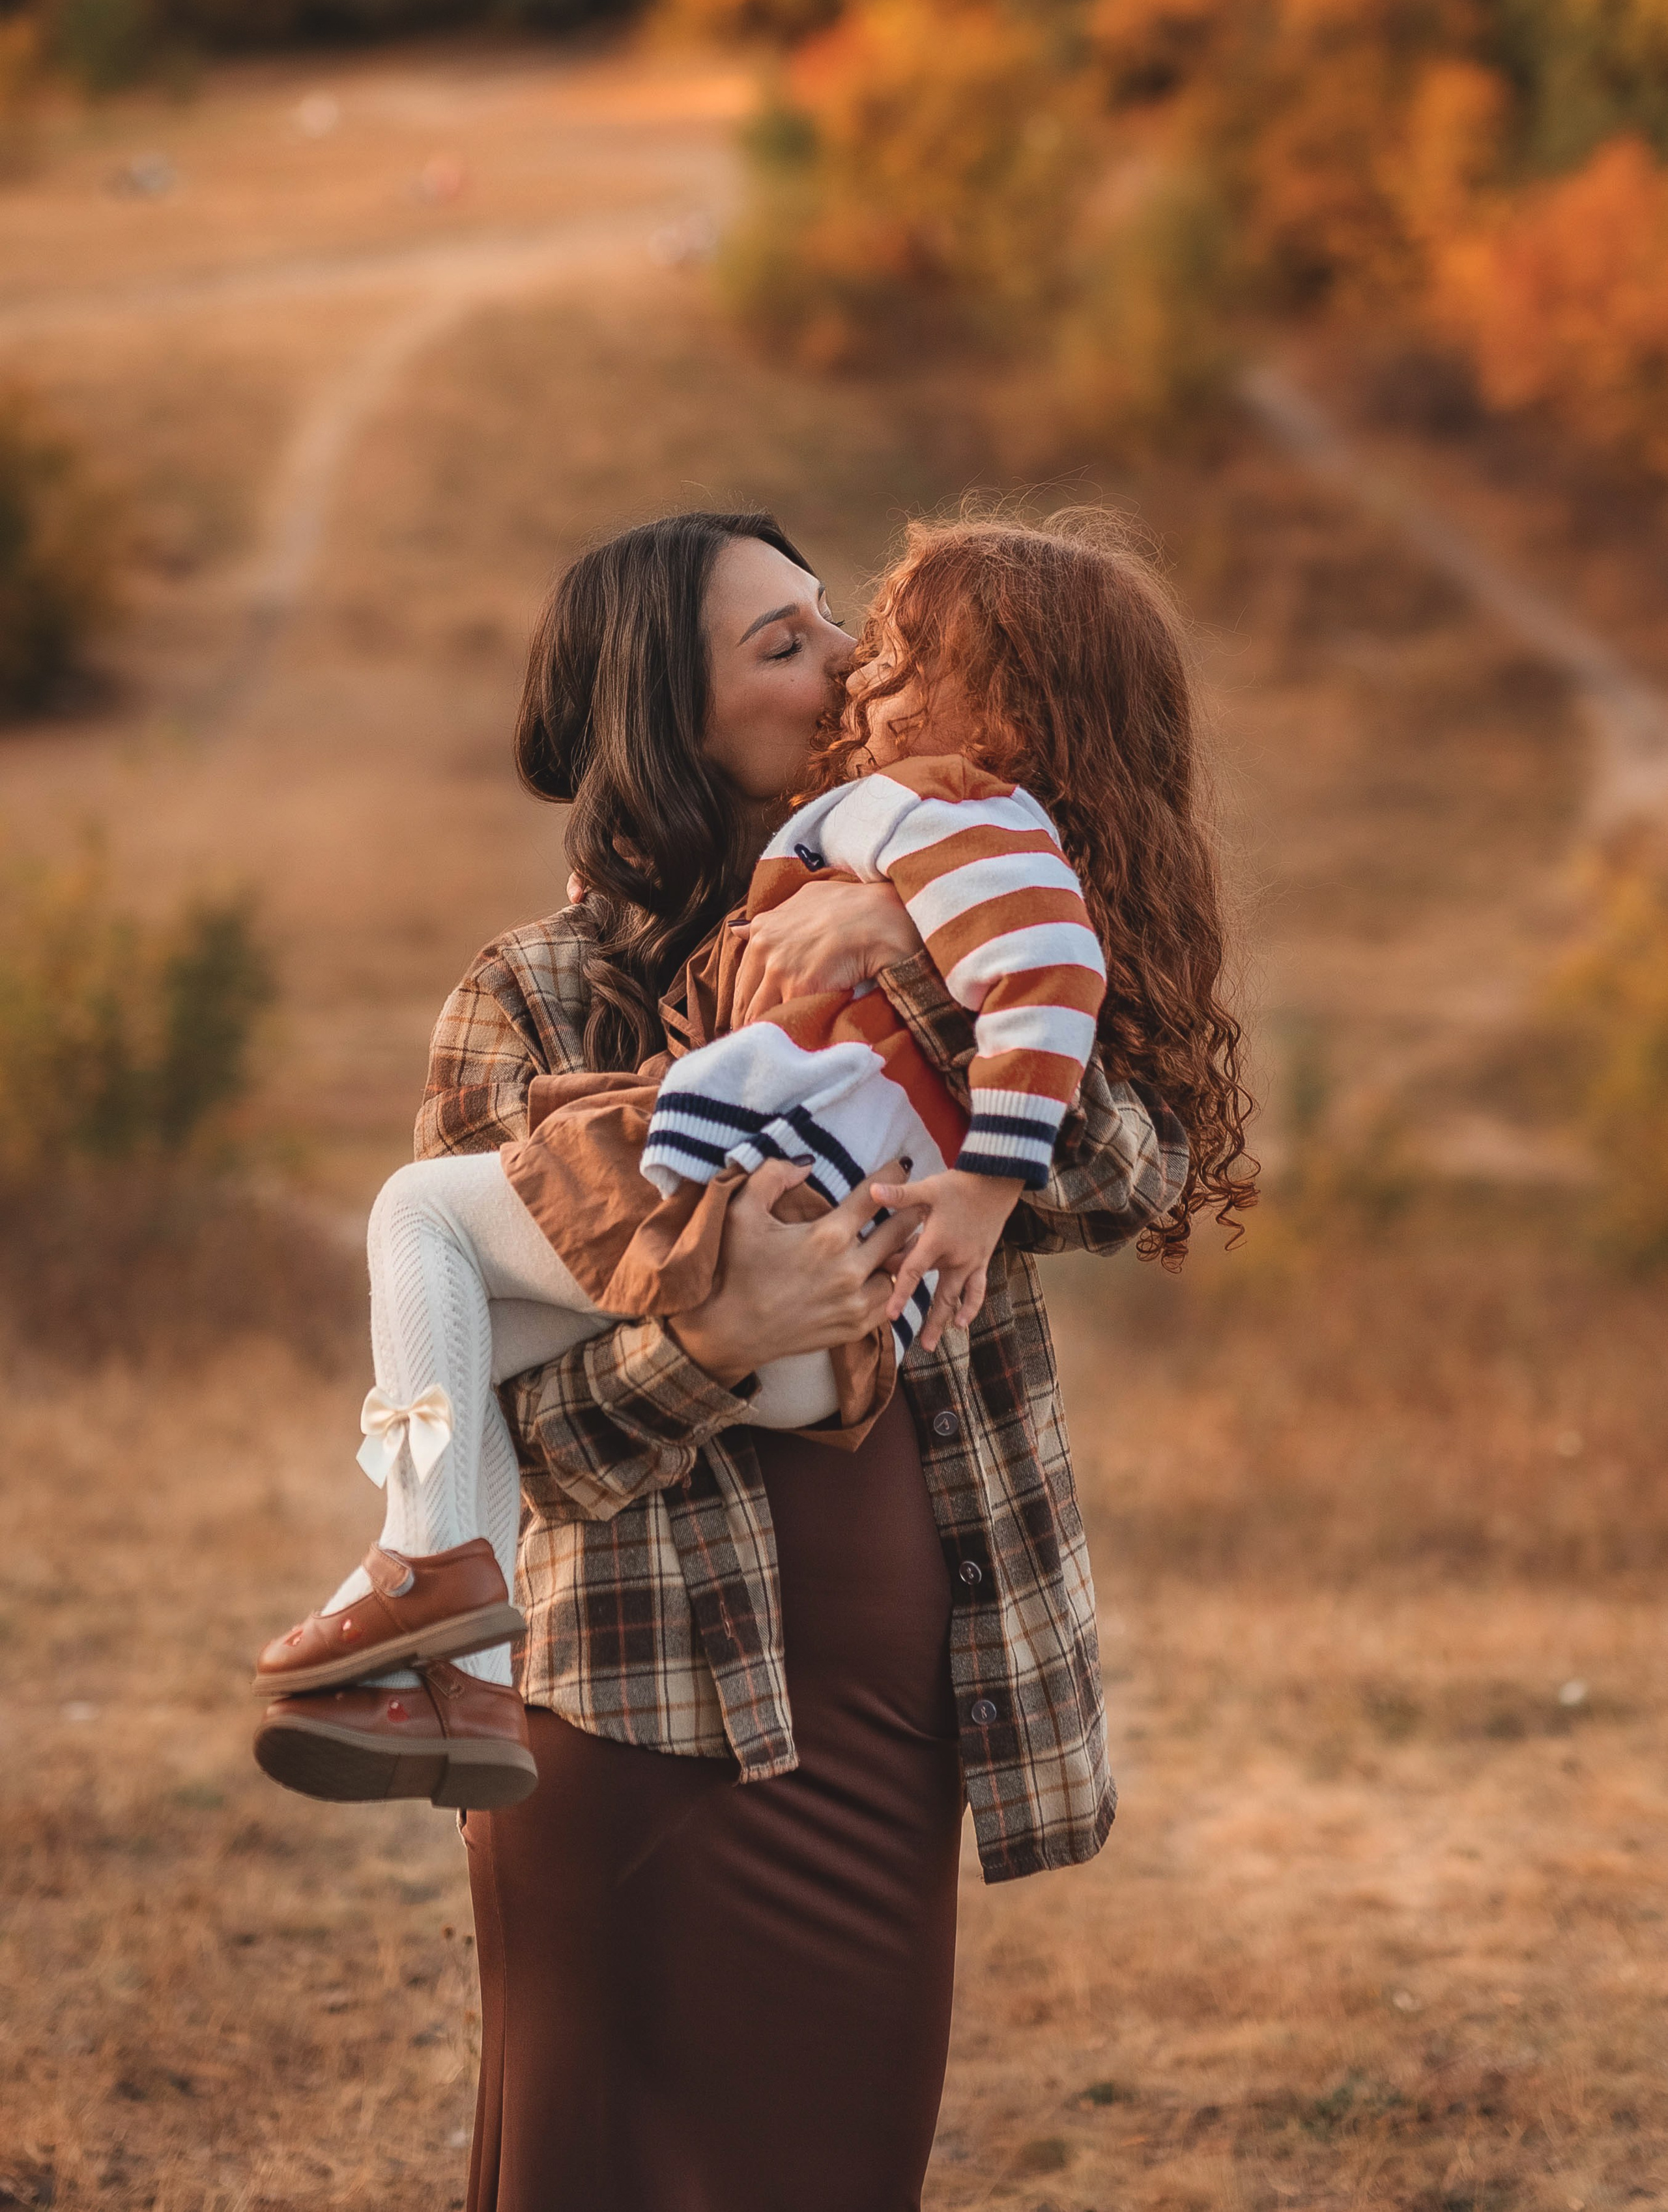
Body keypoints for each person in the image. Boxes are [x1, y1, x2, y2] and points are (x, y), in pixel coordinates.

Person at [269, 508, 1250, 2211]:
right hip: (637, 1712)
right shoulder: (534, 999)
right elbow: (539, 1433)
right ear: (669, 702)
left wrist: (897, 946)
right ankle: (426, 1614)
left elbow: (1132, 1167)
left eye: (839, 622)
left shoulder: (942, 919)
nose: (850, 664)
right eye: (785, 643)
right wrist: (714, 1345)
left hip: (888, 1713)